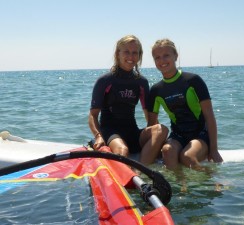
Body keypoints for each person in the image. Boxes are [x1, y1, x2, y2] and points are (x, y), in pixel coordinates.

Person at [88, 35, 168, 165]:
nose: (131, 57)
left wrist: (157, 143)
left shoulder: (141, 82)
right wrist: (98, 136)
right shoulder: (105, 81)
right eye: (126, 52)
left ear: (139, 56)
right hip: (111, 133)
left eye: (135, 53)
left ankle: (142, 169)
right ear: (117, 53)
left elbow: (150, 118)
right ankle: (134, 173)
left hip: (133, 132)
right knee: (122, 150)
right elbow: (93, 116)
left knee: (162, 129)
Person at [147, 38, 223, 170]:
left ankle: (211, 182)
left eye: (166, 55)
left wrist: (214, 150)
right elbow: (152, 125)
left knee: (187, 156)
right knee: (167, 151)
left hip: (200, 134)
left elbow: (209, 116)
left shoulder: (193, 80)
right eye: (157, 57)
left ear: (176, 56)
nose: (162, 61)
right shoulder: (156, 90)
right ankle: (178, 188)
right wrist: (155, 150)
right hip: (178, 136)